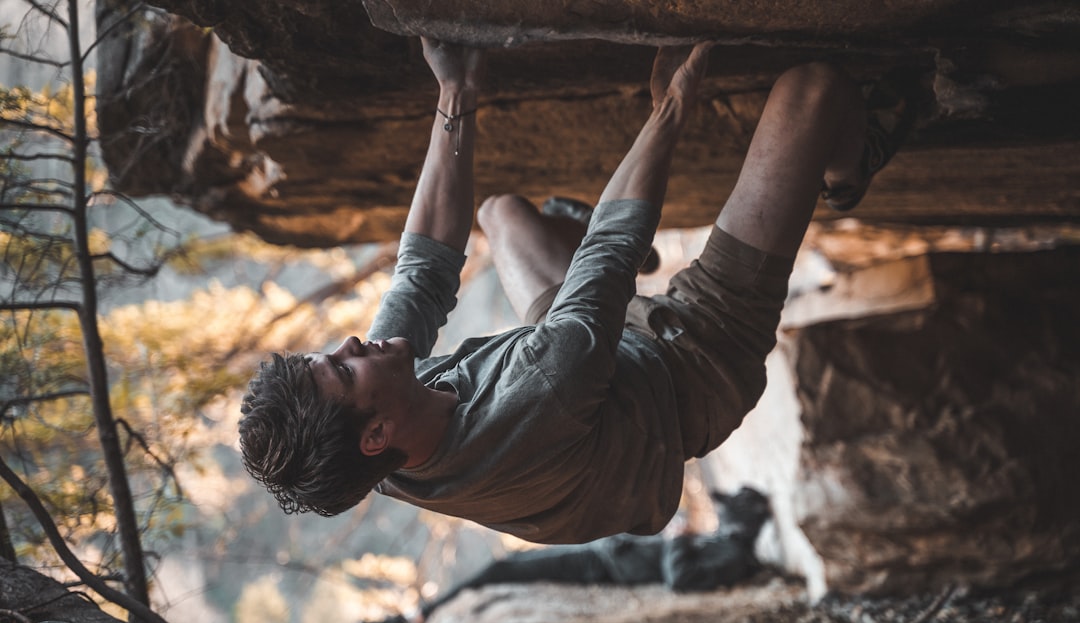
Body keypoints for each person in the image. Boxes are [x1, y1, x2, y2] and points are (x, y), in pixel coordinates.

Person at [238, 38, 913, 543]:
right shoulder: (537, 393)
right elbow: (608, 254)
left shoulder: (375, 450)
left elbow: (424, 270)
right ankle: (852, 160)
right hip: (694, 367)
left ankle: (601, 286)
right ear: (377, 431)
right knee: (812, 90)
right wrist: (671, 102)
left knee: (503, 215)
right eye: (343, 367)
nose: (352, 342)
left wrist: (455, 92)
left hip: (597, 364)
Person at [360, 487, 771, 623]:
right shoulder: (727, 543)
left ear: (744, 522)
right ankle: (420, 618)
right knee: (510, 564)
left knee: (505, 570)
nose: (721, 517)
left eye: (728, 511)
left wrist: (676, 541)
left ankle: (416, 622)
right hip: (607, 556)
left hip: (602, 569)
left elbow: (683, 580)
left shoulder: (733, 554)